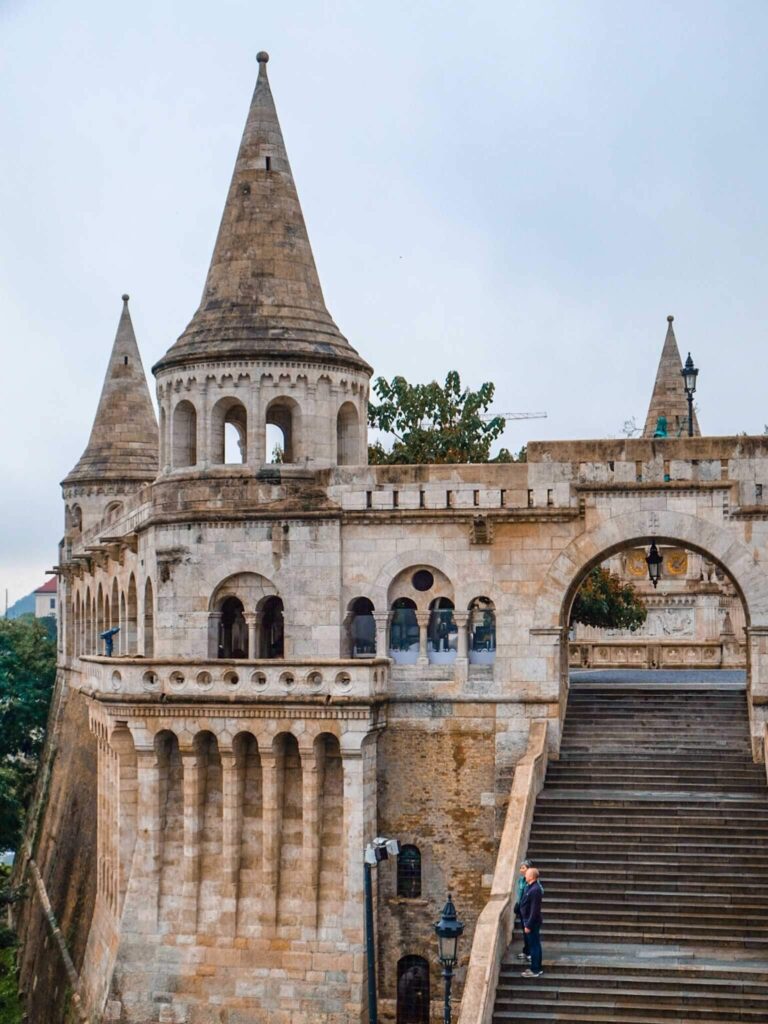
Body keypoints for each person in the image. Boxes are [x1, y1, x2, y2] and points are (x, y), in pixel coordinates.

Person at [520, 866, 544, 977]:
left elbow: (534, 910)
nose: (525, 875)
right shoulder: (530, 887)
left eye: (527, 874)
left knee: (534, 946)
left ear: (531, 876)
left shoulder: (535, 890)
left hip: (532, 922)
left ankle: (535, 969)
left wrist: (528, 925)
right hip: (529, 920)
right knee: (535, 945)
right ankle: (536, 968)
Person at [513, 859, 533, 961]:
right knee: (525, 932)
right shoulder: (521, 880)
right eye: (520, 868)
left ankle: (531, 952)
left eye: (523, 868)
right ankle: (526, 951)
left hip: (529, 910)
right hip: (522, 909)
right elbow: (519, 894)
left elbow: (540, 891)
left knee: (529, 931)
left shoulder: (533, 881)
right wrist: (518, 903)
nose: (521, 869)